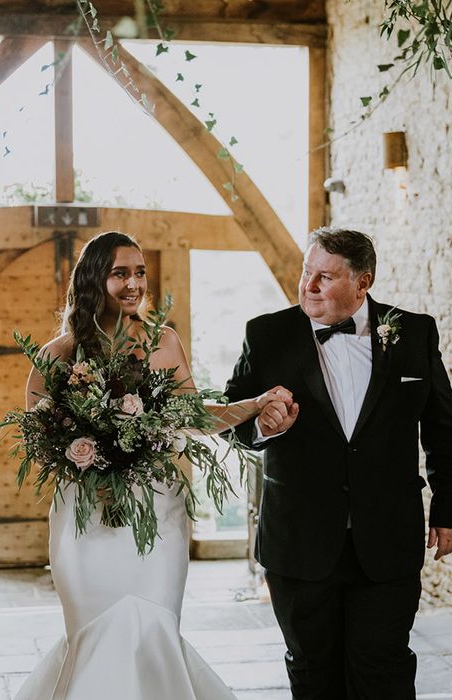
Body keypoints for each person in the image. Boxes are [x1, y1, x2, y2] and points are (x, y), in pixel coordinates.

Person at [15, 230, 284, 700]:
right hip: (86, 513)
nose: (134, 283)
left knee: (153, 626)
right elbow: (38, 437)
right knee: (94, 631)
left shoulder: (164, 341)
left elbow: (194, 415)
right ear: (95, 280)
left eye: (140, 272)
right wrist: (86, 449)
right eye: (120, 273)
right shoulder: (56, 355)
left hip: (154, 512)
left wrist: (254, 404)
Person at [224, 227, 452, 700]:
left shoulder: (413, 331)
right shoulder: (267, 334)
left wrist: (449, 511)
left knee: (385, 667)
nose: (308, 286)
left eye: (325, 277)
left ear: (364, 282)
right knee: (313, 671)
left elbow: (444, 428)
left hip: (387, 538)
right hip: (299, 539)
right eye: (306, 272)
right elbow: (233, 416)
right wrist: (262, 427)